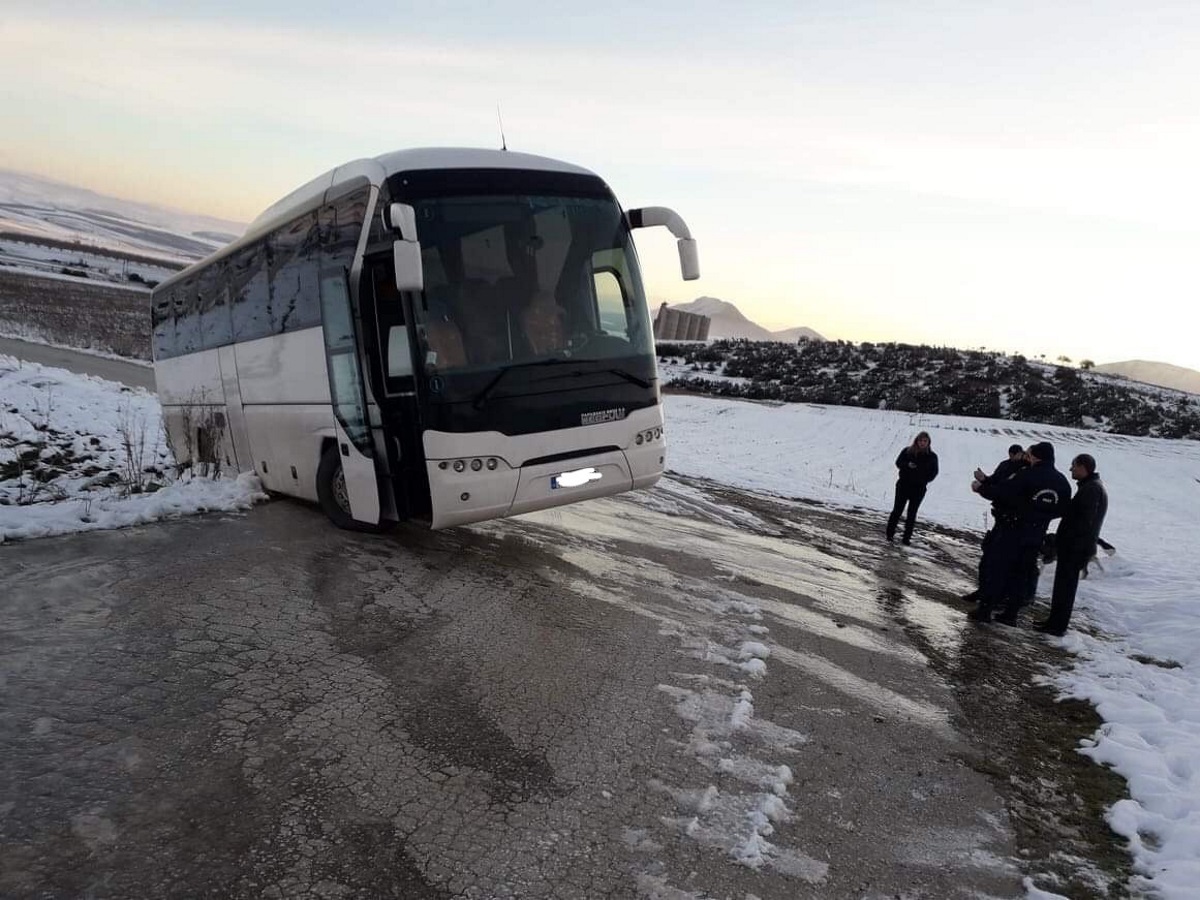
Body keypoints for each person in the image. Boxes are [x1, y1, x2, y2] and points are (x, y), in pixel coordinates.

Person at [969, 441, 1070, 625]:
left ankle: (986, 609)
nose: (1028, 458)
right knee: (1021, 573)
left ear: (1036, 457)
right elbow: (1062, 509)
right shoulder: (1062, 482)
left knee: (998, 568)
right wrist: (1040, 516)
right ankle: (1011, 614)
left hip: (1013, 529)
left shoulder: (1027, 475)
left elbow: (1003, 493)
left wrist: (981, 488)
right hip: (1036, 533)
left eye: (1030, 455)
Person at [1035, 454, 1109, 636]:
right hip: (1075, 546)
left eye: (1074, 466)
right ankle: (1054, 622)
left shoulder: (1091, 489)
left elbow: (1084, 521)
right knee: (1063, 587)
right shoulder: (1091, 487)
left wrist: (1069, 541)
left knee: (1065, 588)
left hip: (1075, 548)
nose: (1071, 469)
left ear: (1084, 467)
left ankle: (1057, 626)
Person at [962, 444, 1030, 602]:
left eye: (1022, 454)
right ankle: (984, 591)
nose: (1018, 457)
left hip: (1013, 522)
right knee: (988, 558)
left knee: (1000, 562)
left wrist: (982, 489)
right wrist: (984, 479)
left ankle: (996, 598)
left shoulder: (1024, 472)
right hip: (1001, 516)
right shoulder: (1005, 465)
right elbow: (995, 482)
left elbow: (1003, 492)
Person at [886, 431, 939, 544]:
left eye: (925, 441)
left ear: (928, 443)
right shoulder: (907, 451)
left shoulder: (932, 456)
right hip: (903, 485)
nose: (922, 443)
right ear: (917, 441)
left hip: (919, 488)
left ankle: (906, 538)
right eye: (920, 440)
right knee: (897, 510)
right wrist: (907, 465)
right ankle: (889, 534)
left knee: (912, 513)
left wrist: (924, 478)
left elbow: (934, 472)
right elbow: (898, 462)